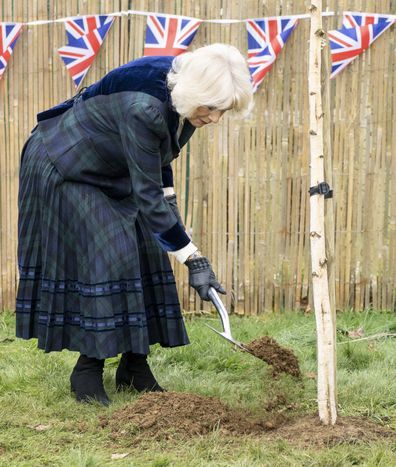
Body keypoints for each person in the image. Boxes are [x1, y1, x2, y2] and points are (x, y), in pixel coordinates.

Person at [15, 43, 253, 405]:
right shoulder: (144, 107)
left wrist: (176, 227)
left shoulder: (184, 95)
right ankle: (88, 371)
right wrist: (193, 258)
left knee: (148, 249)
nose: (216, 118)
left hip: (111, 166)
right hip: (65, 163)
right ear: (198, 94)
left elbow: (160, 159)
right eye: (214, 109)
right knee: (113, 253)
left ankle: (134, 366)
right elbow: (148, 195)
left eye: (223, 110)